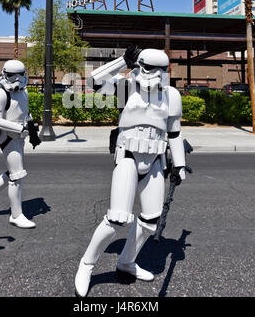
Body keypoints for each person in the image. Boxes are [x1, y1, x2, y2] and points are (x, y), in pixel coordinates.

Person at [74, 46, 188, 297]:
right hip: (128, 156)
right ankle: (87, 264)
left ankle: (126, 261)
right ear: (139, 67)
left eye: (162, 70)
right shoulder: (127, 87)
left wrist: (178, 164)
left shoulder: (170, 95)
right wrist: (121, 62)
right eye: (150, 68)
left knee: (150, 220)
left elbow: (175, 132)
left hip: (155, 160)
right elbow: (94, 81)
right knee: (116, 218)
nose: (156, 75)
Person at [0, 60, 41, 229]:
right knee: (17, 175)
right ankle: (16, 215)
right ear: (4, 74)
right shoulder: (0, 94)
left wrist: (31, 129)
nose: (16, 79)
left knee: (11, 173)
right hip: (8, 137)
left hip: (20, 136)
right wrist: (19, 127)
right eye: (11, 75)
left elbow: (24, 111)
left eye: (19, 75)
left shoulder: (24, 92)